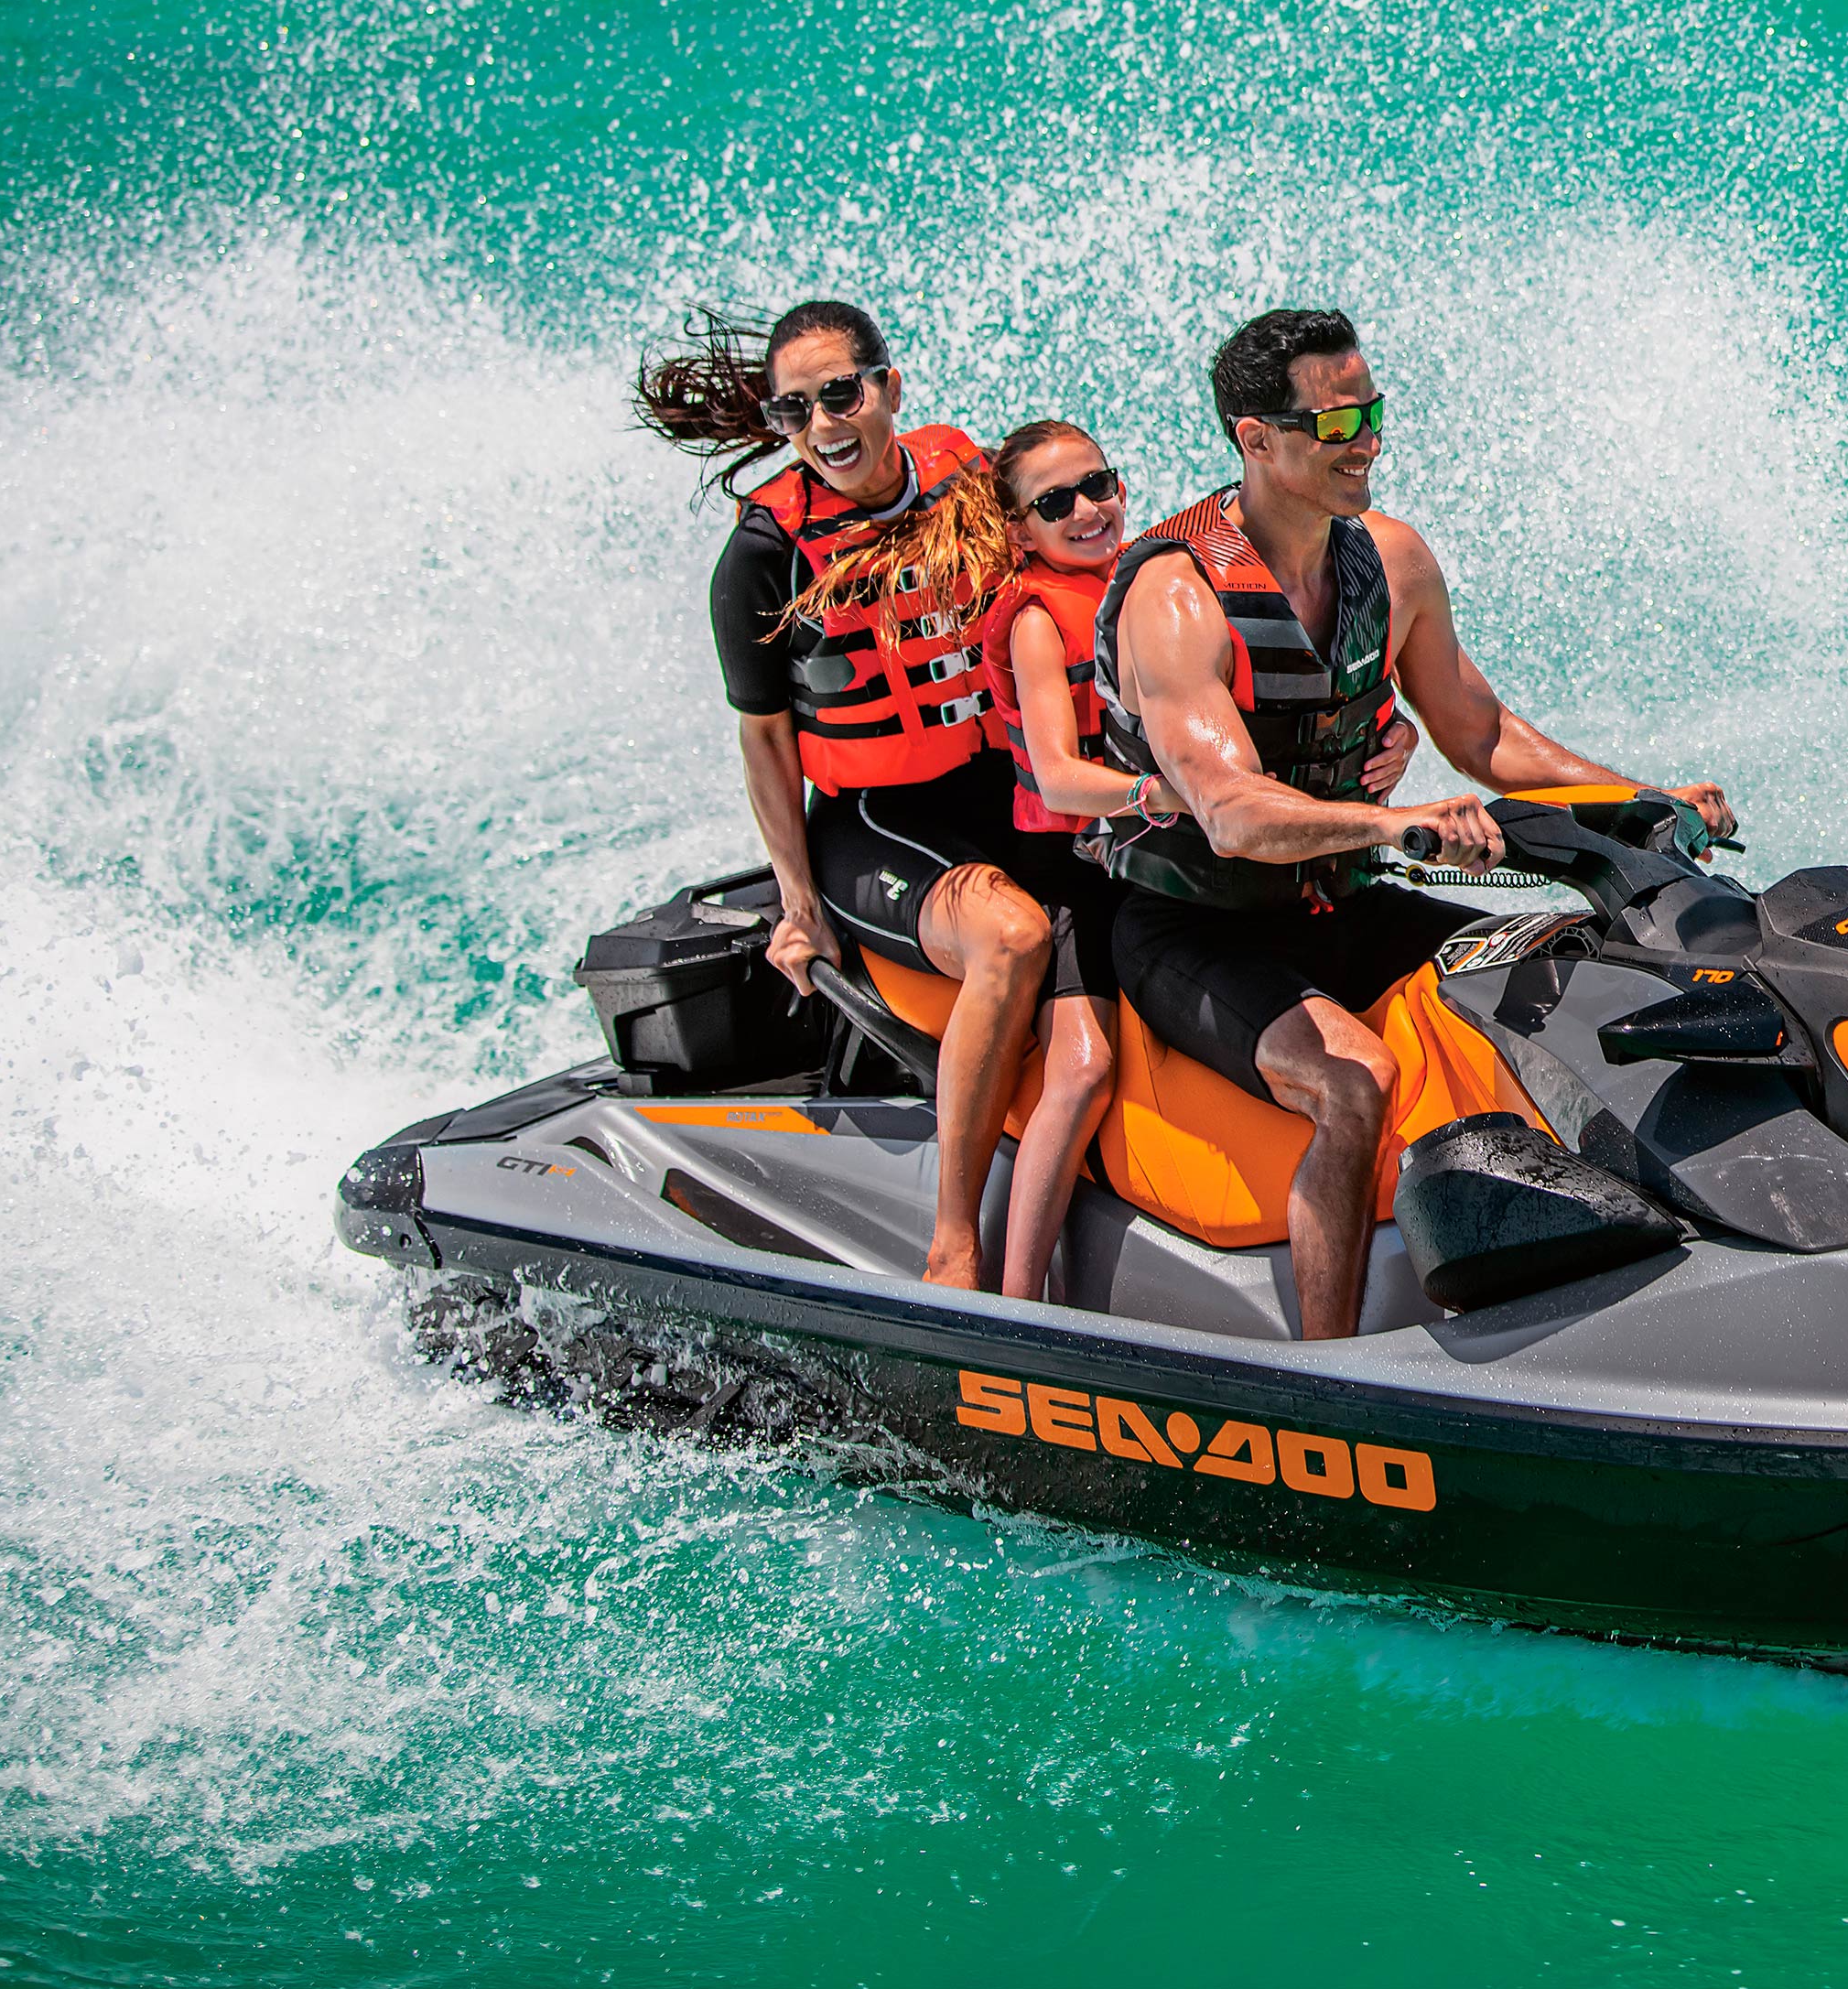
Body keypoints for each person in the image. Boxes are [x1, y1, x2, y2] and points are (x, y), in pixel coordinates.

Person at [1094, 308, 1735, 1341]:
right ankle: (1328, 1370)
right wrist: (1390, 827)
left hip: (1343, 905)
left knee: (1585, 960)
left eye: (1373, 410)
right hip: (1199, 929)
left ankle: (1667, 1264)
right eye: (1337, 419)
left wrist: (1643, 798)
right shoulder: (1176, 596)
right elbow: (1230, 813)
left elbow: (1482, 736)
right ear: (1255, 439)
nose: (1368, 440)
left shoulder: (1392, 561)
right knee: (1354, 1083)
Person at [630, 301, 1066, 1295]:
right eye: (796, 410)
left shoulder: (968, 476)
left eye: (841, 393)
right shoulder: (763, 550)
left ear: (888, 390)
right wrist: (796, 906)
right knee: (1012, 939)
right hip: (876, 824)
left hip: (1010, 788)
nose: (825, 424)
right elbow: (766, 740)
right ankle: (956, 1241)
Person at [960, 420, 1421, 1299]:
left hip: (1172, 860)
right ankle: (1012, 1300)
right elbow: (1057, 778)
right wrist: (1165, 793)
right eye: (1056, 503)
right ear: (1020, 529)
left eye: (1101, 485)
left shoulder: (1167, 580)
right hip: (1083, 876)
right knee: (1085, 1067)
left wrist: (1390, 734)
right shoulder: (1035, 619)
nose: (1089, 510)